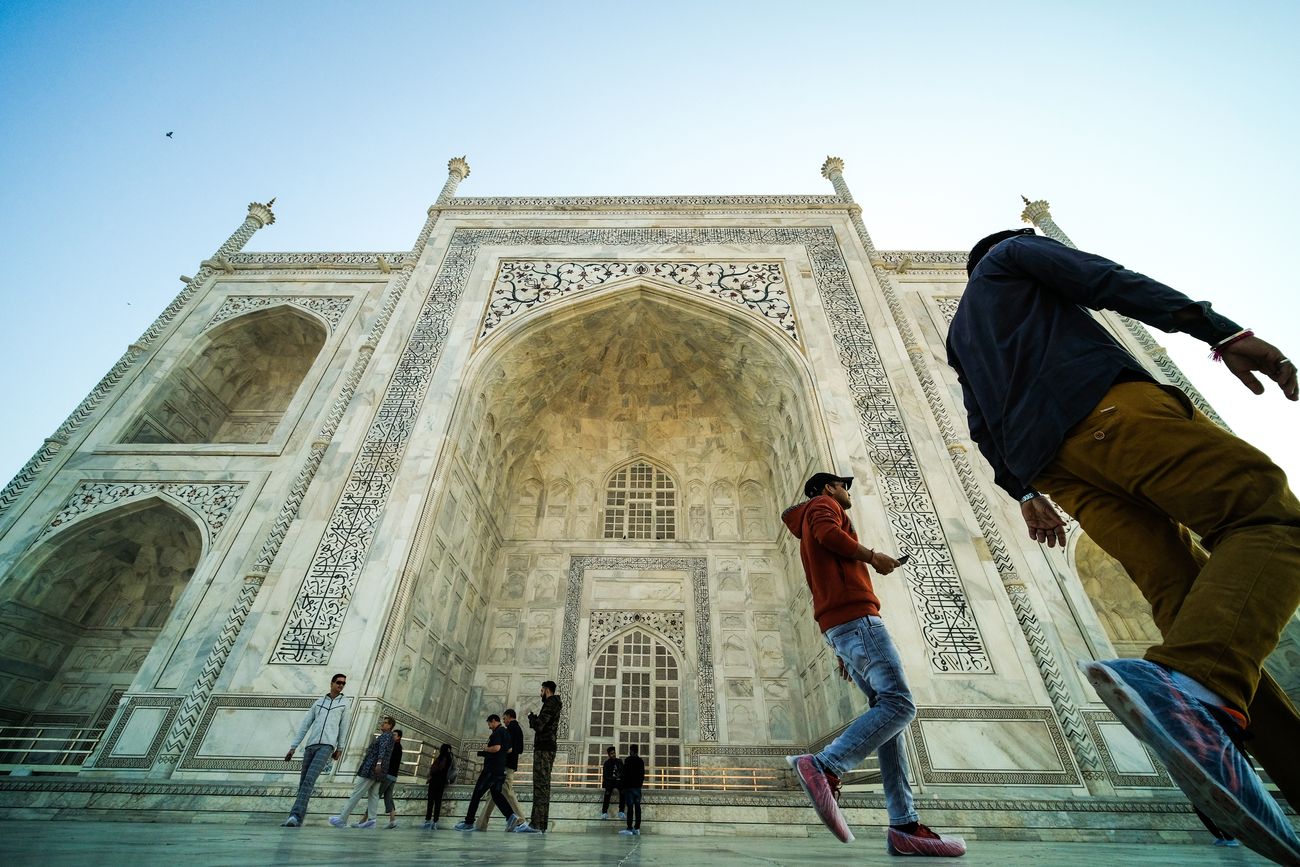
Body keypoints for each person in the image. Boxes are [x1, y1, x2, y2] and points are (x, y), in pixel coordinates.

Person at [947, 228, 1300, 864]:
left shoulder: (959, 334)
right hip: (1110, 414)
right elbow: (1105, 281)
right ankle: (1191, 683)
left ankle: (1237, 754)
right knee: (1268, 518)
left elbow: (978, 421)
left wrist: (1025, 491)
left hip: (1060, 471)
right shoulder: (1012, 256)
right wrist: (1219, 331)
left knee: (1190, 605)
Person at [782, 473, 966, 857]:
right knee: (900, 705)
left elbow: (819, 579)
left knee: (888, 724)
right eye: (843, 485)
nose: (847, 491)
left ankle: (904, 825)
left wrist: (839, 647)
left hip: (842, 626)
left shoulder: (809, 520)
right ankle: (825, 765)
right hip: (857, 619)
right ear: (828, 487)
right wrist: (872, 556)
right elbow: (830, 536)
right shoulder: (822, 506)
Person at [280, 672, 351, 827]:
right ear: (331, 683)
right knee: (303, 782)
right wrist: (293, 747)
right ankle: (297, 818)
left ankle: (295, 817)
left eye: (343, 683)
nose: (341, 685)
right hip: (311, 745)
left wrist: (340, 747)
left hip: (327, 746)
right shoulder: (319, 702)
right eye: (338, 682)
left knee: (309, 780)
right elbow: (305, 724)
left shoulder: (344, 704)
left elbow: (344, 727)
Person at [454, 714, 519, 832]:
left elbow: (497, 748)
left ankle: (468, 822)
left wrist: (486, 749)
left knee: (477, 794)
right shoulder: (506, 733)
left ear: (494, 721)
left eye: (489, 724)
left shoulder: (497, 732)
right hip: (500, 770)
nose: (489, 727)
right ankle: (511, 816)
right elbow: (509, 749)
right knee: (496, 795)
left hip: (491, 769)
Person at [329, 716, 396, 828]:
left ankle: (342, 819)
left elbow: (382, 750)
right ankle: (371, 821)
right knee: (374, 795)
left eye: (385, 723)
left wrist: (378, 763)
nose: (382, 724)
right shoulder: (389, 737)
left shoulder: (386, 736)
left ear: (390, 726)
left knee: (357, 793)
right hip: (379, 771)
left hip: (371, 769)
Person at [514, 680, 562, 834]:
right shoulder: (554, 704)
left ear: (546, 690)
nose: (540, 693)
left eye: (541, 690)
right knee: (544, 787)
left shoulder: (549, 703)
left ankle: (536, 825)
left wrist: (531, 717)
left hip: (544, 749)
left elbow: (540, 726)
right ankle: (541, 825)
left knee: (540, 786)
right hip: (548, 747)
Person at [474, 708, 527, 830]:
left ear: (509, 717)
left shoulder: (512, 729)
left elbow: (516, 748)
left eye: (504, 718)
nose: (504, 721)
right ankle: (481, 824)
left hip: (506, 766)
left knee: (506, 792)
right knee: (493, 794)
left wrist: (503, 751)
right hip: (505, 766)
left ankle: (520, 821)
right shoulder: (514, 729)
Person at [362, 728, 402, 829]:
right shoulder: (400, 747)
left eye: (394, 735)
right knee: (388, 798)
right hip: (393, 777)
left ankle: (365, 819)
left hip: (387, 776)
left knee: (375, 796)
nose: (392, 736)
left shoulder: (393, 746)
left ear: (399, 737)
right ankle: (392, 820)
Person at [421, 743, 456, 830]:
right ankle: (435, 822)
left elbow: (435, 769)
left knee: (431, 801)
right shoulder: (450, 758)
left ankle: (428, 821)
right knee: (438, 802)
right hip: (442, 782)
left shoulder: (442, 757)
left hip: (435, 781)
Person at [617, 744, 645, 836]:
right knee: (637, 808)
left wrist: (623, 787)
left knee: (630, 808)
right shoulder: (641, 761)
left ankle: (629, 828)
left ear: (631, 751)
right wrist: (639, 785)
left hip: (629, 788)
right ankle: (637, 828)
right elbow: (642, 775)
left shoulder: (628, 760)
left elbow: (624, 774)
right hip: (637, 788)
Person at [600, 746, 625, 820]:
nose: (613, 755)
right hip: (610, 782)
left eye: (614, 753)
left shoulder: (619, 761)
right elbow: (605, 776)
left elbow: (623, 772)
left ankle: (621, 811)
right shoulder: (607, 763)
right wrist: (614, 778)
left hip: (618, 781)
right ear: (609, 755)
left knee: (623, 791)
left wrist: (619, 777)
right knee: (607, 793)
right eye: (611, 753)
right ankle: (604, 812)